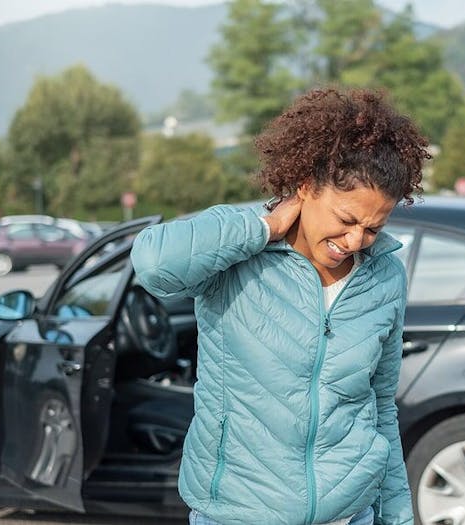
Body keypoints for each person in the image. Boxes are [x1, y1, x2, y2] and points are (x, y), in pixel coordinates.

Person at [130, 87, 430, 525]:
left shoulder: (384, 277)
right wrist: (263, 227)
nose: (354, 242)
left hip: (349, 515)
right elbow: (154, 264)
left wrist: (397, 518)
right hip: (236, 514)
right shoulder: (237, 251)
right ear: (306, 186)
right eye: (346, 220)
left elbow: (380, 407)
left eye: (372, 228)